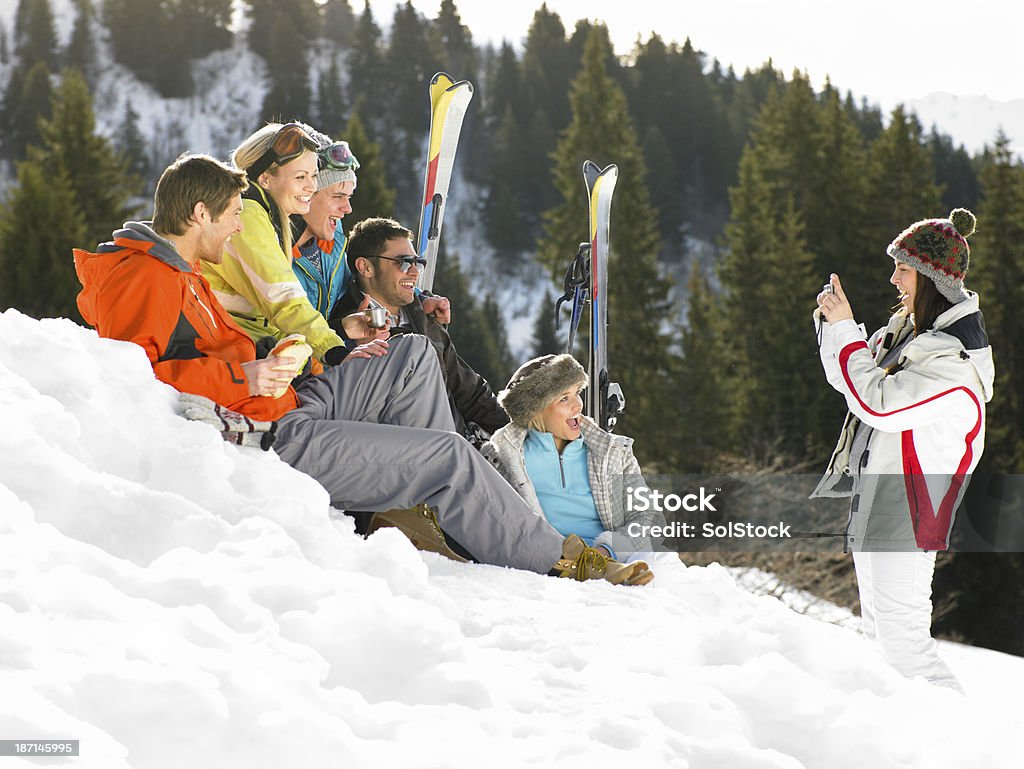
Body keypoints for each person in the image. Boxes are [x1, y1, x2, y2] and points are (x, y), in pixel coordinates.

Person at [73, 153, 653, 587]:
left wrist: (290, 353)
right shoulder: (143, 275)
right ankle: (560, 558)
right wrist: (245, 381)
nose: (234, 228)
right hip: (271, 437)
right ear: (199, 213)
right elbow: (141, 376)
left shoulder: (181, 270)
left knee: (411, 355)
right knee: (447, 455)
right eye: (228, 216)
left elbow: (206, 350)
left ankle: (414, 510)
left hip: (287, 403)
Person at [811, 207, 994, 693]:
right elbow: (854, 382)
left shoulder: (952, 360)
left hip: (909, 511)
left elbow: (880, 404)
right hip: (880, 500)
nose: (893, 277)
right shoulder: (912, 336)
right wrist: (836, 328)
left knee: (904, 648)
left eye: (904, 268)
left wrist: (848, 328)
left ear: (933, 278)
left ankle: (968, 749)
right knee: (879, 642)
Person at [332, 217, 508, 445]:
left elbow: (469, 390)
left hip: (462, 442)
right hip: (416, 453)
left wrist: (513, 435)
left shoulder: (421, 316)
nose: (414, 272)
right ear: (365, 267)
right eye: (403, 262)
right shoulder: (346, 330)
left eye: (418, 262)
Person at [481, 354, 667, 565]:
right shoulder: (502, 458)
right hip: (542, 564)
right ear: (534, 410)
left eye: (577, 393)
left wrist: (605, 552)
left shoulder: (613, 452)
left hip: (610, 562)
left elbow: (650, 519)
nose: (578, 405)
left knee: (661, 565)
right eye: (564, 398)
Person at [200, 122, 349, 366]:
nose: (312, 186)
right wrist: (334, 351)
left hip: (238, 344)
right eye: (300, 177)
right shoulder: (246, 214)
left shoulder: (267, 217)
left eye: (313, 176)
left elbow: (270, 314)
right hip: (223, 350)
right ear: (265, 179)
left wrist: (312, 359)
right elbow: (283, 299)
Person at [288, 126, 450, 327]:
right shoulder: (272, 255)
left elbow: (361, 283)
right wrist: (342, 334)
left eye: (348, 197)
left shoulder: (331, 243)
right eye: (338, 196)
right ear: (304, 194)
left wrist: (418, 300)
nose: (347, 208)